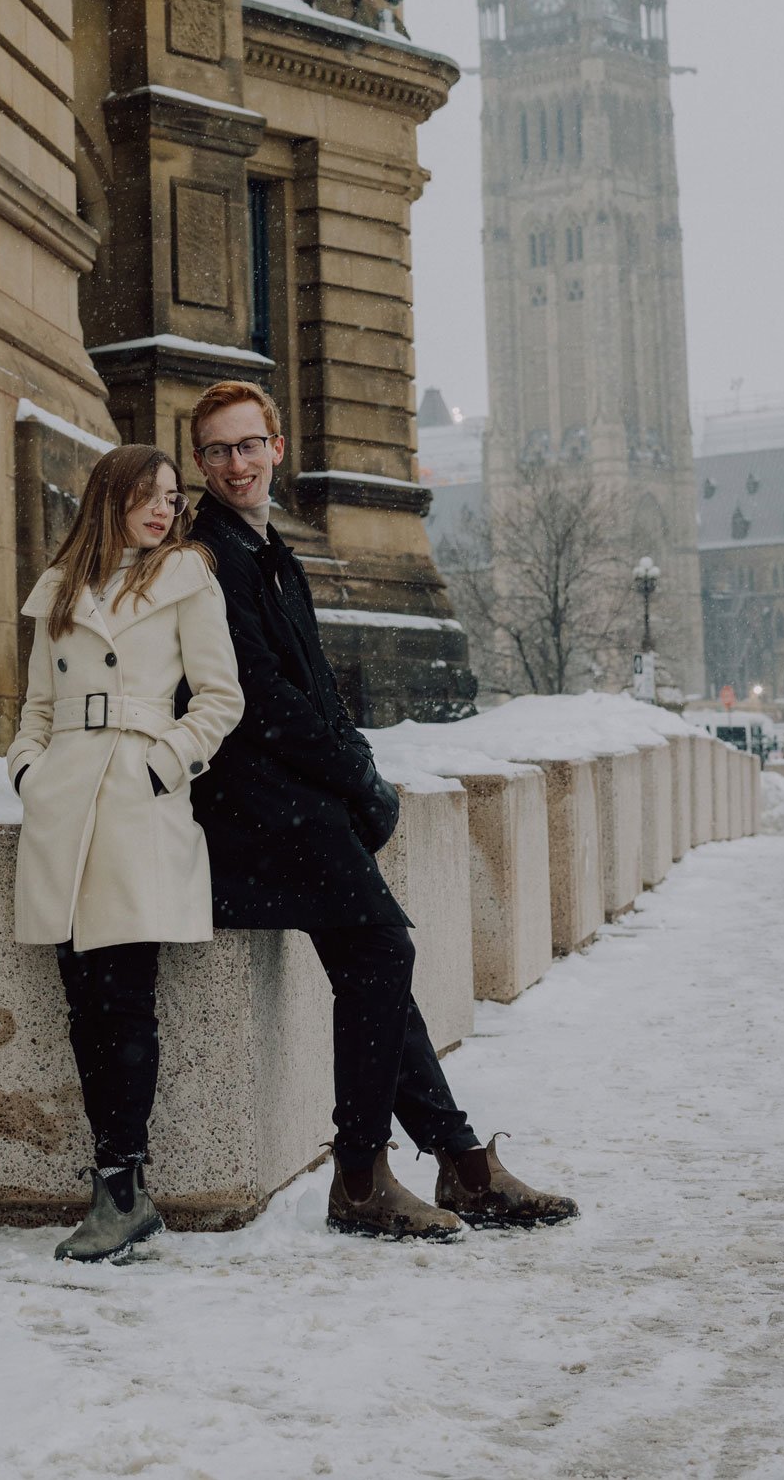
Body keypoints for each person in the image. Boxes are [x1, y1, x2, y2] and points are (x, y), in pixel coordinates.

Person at [187, 381, 578, 1242]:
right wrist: (355, 783)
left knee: (373, 961)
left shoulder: (265, 548)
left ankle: (458, 1163)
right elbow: (262, 700)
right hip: (251, 808)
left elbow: (317, 689)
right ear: (200, 463)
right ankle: (363, 1174)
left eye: (248, 445)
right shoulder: (209, 557)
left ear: (276, 447)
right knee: (380, 946)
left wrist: (355, 768)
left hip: (292, 799)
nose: (236, 464)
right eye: (217, 451)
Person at [8, 444, 244, 1263]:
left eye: (172, 498)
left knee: (125, 998)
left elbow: (221, 697)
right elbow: (35, 707)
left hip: (136, 799)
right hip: (63, 802)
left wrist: (162, 761)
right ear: (110, 497)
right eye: (146, 494)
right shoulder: (61, 590)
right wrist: (27, 773)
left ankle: (121, 1186)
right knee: (81, 1005)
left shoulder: (185, 578)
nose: (161, 509)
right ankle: (117, 1187)